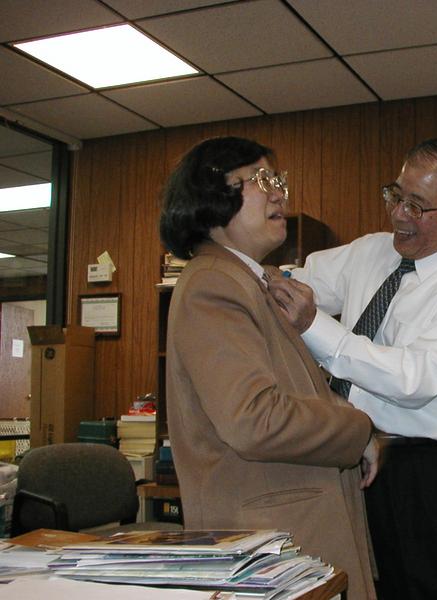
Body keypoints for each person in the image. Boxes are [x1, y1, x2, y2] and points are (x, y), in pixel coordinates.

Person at [268, 138, 437, 600]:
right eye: (395, 195)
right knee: (353, 585)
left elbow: (414, 379)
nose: (399, 214)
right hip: (348, 449)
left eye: (417, 206)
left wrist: (314, 325)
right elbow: (295, 280)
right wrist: (247, 269)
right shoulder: (372, 252)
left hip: (424, 471)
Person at [159, 136, 378, 600]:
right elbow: (255, 420)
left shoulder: (254, 281)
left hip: (291, 543)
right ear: (213, 195)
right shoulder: (214, 284)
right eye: (261, 181)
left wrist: (338, 409)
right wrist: (358, 428)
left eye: (278, 180)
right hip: (270, 550)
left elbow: (293, 393)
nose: (279, 193)